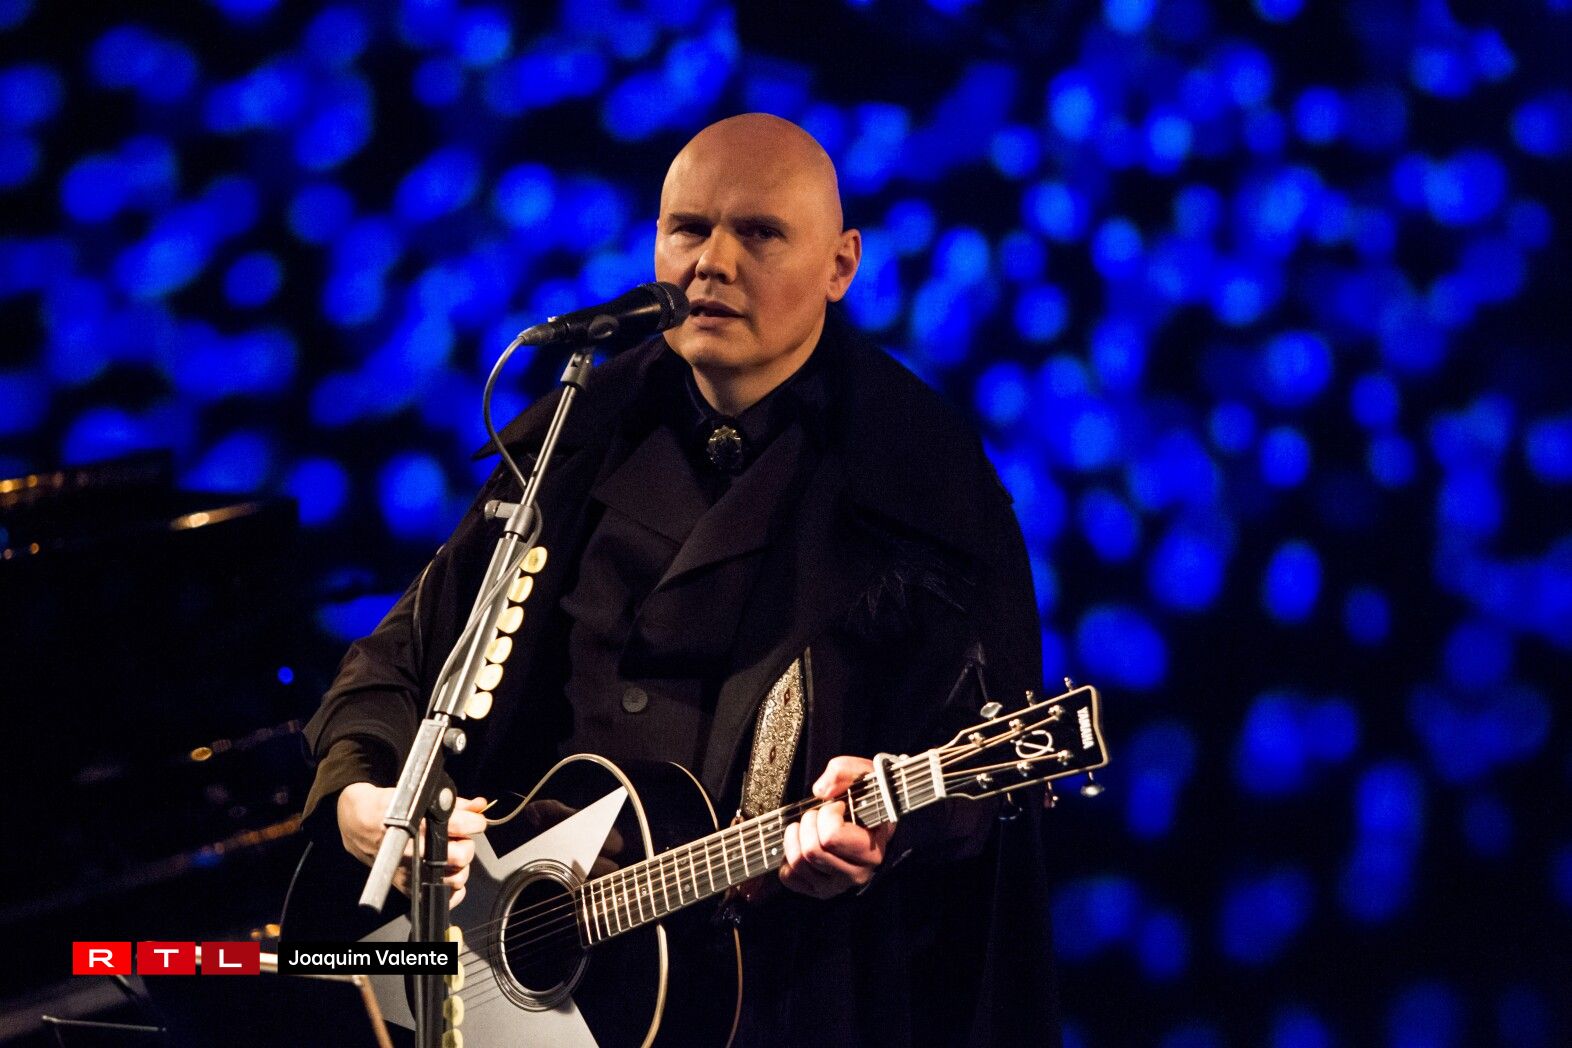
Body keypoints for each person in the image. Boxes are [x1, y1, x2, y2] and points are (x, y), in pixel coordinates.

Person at [302, 113, 1059, 1046]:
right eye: (689, 229)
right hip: (522, 975)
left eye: (760, 233)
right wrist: (363, 797)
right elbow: (404, 657)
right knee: (181, 969)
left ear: (842, 264)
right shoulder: (579, 428)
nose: (713, 264)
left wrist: (891, 826)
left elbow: (980, 761)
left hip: (777, 993)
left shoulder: (921, 475)